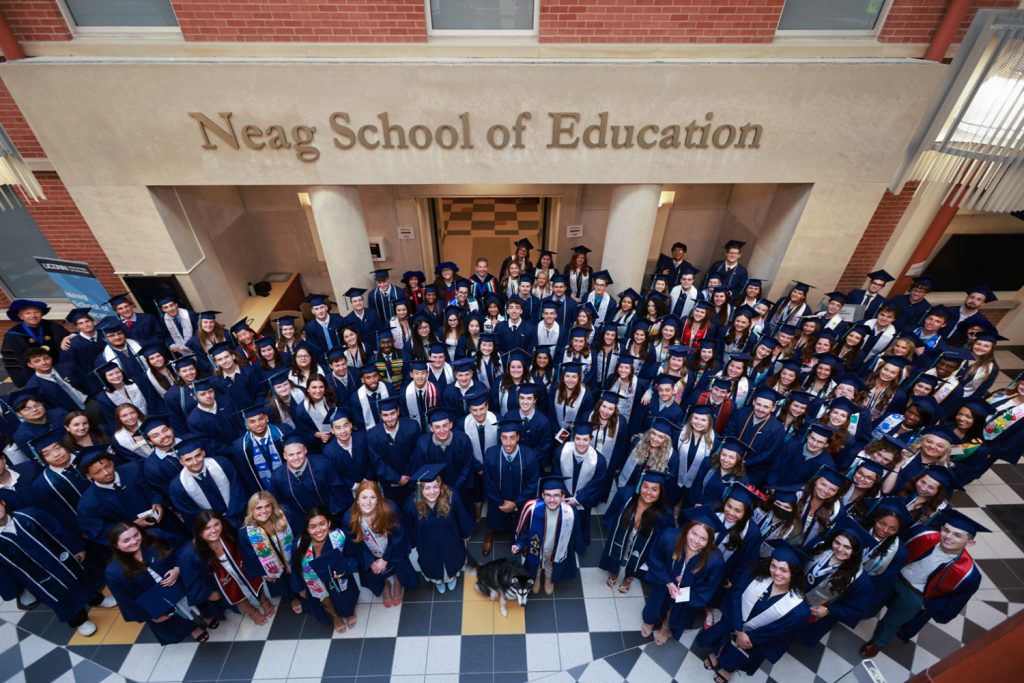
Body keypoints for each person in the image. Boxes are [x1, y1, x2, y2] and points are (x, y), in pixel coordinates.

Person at [860, 508, 986, 658]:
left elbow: (955, 601)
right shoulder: (921, 534)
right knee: (871, 601)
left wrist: (925, 605)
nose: (948, 537)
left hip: (916, 594)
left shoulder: (968, 573)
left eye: (957, 535)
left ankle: (877, 643)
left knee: (894, 621)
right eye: (946, 530)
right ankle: (860, 613)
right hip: (895, 576)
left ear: (970, 543)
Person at [697, 540, 811, 682]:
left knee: (743, 650)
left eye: (784, 570)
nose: (776, 573)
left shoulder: (799, 609)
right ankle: (717, 653)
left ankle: (728, 668)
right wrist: (739, 630)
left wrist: (748, 637)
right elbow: (735, 596)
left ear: (795, 573)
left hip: (755, 638)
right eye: (773, 566)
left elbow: (778, 632)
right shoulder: (755, 574)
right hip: (735, 620)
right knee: (725, 632)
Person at [0, 498, 113, 636]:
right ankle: (79, 621)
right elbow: (3, 572)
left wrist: (76, 547)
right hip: (38, 577)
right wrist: (14, 591)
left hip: (62, 560)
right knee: (61, 599)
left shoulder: (29, 514)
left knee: (82, 579)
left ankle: (97, 599)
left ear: (3, 502)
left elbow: (58, 528)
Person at [105, 522, 213, 644]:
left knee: (196, 599)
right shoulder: (114, 572)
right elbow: (125, 600)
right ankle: (193, 628)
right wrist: (150, 616)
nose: (134, 541)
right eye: (126, 540)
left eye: (136, 535)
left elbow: (182, 547)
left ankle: (207, 615)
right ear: (116, 545)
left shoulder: (154, 536)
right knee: (174, 616)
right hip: (158, 600)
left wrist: (178, 568)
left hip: (179, 582)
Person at [641, 506, 726, 645]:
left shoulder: (714, 560)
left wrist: (682, 595)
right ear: (687, 530)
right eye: (694, 534)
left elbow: (708, 587)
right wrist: (668, 582)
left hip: (688, 591)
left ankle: (666, 626)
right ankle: (650, 620)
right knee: (657, 601)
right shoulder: (669, 537)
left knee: (676, 610)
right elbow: (655, 558)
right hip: (665, 580)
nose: (696, 541)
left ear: (709, 541)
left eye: (703, 539)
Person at [180, 510, 276, 625]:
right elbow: (190, 578)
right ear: (199, 532)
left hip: (239, 565)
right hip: (218, 578)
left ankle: (264, 601)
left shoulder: (230, 531)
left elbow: (251, 541)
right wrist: (208, 593)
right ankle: (253, 612)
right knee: (233, 592)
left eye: (216, 524)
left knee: (253, 580)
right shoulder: (191, 553)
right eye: (207, 528)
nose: (214, 530)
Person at [343, 480, 418, 606]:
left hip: (391, 548)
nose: (368, 502)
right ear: (357, 499)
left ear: (378, 499)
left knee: (399, 566)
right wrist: (370, 561)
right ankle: (385, 586)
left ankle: (397, 582)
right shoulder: (349, 518)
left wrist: (385, 559)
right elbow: (354, 545)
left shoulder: (390, 510)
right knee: (374, 574)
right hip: (369, 552)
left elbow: (399, 537)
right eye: (364, 497)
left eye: (373, 497)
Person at [798, 520, 874, 645]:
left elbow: (857, 609)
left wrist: (830, 610)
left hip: (817, 612)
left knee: (801, 634)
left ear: (855, 551)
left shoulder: (860, 580)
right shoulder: (820, 548)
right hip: (795, 597)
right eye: (837, 542)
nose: (839, 549)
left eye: (847, 547)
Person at [403, 463, 474, 593]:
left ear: (440, 486)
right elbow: (409, 526)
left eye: (435, 487)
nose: (432, 492)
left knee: (452, 560)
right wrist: (412, 542)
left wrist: (465, 532)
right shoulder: (411, 504)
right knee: (433, 565)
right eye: (427, 488)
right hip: (427, 545)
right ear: (420, 489)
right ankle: (438, 581)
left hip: (451, 541)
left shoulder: (452, 497)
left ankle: (451, 578)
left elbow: (462, 517)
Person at [600, 470, 672, 594]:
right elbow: (612, 512)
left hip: (642, 545)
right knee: (617, 552)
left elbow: (662, 539)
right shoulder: (625, 495)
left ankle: (628, 580)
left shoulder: (664, 515)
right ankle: (614, 573)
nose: (648, 492)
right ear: (640, 486)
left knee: (636, 559)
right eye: (645, 487)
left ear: (660, 493)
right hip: (622, 536)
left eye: (654, 489)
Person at [512, 475, 583, 596]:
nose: (552, 500)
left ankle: (549, 578)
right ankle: (537, 577)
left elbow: (574, 533)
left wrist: (577, 547)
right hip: (536, 547)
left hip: (555, 548)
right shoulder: (533, 509)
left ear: (563, 496)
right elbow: (525, 530)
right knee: (536, 563)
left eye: (556, 495)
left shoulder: (570, 513)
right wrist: (519, 544)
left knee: (550, 564)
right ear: (542, 496)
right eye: (548, 495)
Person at [482, 417, 540, 556]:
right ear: (499, 437)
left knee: (521, 521)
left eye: (512, 438)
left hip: (519, 502)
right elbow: (487, 482)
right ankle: (491, 533)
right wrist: (500, 502)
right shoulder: (491, 454)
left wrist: (516, 503)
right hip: (498, 502)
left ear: (518, 437)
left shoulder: (530, 456)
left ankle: (521, 540)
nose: (508, 443)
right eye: (504, 438)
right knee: (494, 518)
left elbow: (532, 484)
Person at [240, 491, 303, 615]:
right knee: (283, 582)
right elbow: (250, 558)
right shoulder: (245, 533)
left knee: (299, 574)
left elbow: (299, 531)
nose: (264, 511)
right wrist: (264, 573)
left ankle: (304, 590)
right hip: (271, 566)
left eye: (267, 506)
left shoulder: (285, 515)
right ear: (251, 510)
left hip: (291, 555)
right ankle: (293, 598)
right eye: (258, 508)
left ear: (273, 506)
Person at [270, 433, 345, 529]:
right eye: (291, 454)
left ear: (305, 450)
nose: (296, 457)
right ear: (284, 456)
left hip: (331, 516)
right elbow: (280, 503)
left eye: (299, 453)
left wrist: (334, 512)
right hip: (303, 523)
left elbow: (338, 487)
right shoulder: (278, 477)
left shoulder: (322, 464)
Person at [168, 436, 247, 525]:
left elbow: (238, 489)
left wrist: (232, 514)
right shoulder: (178, 486)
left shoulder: (222, 463)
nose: (195, 462)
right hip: (212, 526)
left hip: (240, 515)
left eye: (197, 456)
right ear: (181, 462)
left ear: (203, 453)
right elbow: (190, 513)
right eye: (188, 459)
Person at [554, 421, 607, 548]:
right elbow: (556, 474)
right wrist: (563, 495)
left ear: (591, 439)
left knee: (580, 522)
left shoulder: (599, 460)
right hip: (564, 497)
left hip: (582, 500)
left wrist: (578, 499)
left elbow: (596, 485)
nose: (581, 443)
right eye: (578, 439)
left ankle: (577, 543)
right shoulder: (561, 452)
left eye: (585, 439)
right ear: (574, 438)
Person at [2, 299, 71, 387]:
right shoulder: (13, 335)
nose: (33, 316)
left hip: (59, 369)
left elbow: (68, 339)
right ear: (21, 316)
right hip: (34, 375)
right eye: (28, 313)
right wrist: (24, 380)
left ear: (41, 314)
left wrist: (67, 338)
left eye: (36, 312)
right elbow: (11, 360)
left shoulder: (52, 326)